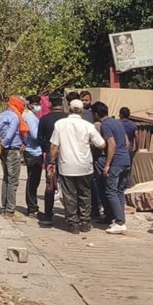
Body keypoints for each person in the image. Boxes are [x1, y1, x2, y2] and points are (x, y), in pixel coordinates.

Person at [49, 99, 105, 234]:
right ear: (82, 110)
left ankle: (73, 223)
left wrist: (51, 162)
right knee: (85, 194)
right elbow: (101, 144)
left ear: (69, 108)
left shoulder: (60, 124)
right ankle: (85, 221)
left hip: (66, 165)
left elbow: (54, 146)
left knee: (69, 195)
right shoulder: (88, 126)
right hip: (84, 166)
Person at [95, 102, 131, 234]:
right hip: (125, 160)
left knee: (110, 191)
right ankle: (120, 220)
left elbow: (112, 144)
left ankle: (119, 222)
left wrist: (107, 164)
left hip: (116, 162)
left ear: (96, 114)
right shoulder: (118, 122)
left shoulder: (105, 125)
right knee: (119, 191)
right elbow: (126, 142)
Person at [37, 93, 68, 227]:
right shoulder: (68, 119)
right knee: (68, 186)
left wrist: (47, 150)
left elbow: (40, 139)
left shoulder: (44, 119)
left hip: (51, 156)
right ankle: (71, 215)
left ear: (50, 104)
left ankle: (48, 215)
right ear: (62, 104)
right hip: (67, 155)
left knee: (50, 185)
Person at [0, 96, 28, 220]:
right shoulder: (15, 117)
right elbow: (9, 135)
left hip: (3, 150)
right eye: (23, 104)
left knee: (6, 178)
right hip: (12, 149)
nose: (24, 107)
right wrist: (5, 145)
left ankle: (4, 207)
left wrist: (0, 148)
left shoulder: (2, 115)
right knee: (13, 180)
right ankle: (10, 211)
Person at [23, 95, 44, 217]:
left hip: (33, 150)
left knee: (33, 180)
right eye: (36, 104)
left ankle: (32, 206)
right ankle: (32, 208)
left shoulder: (31, 116)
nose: (38, 106)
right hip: (33, 151)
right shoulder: (30, 117)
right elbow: (35, 135)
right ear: (30, 104)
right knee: (33, 180)